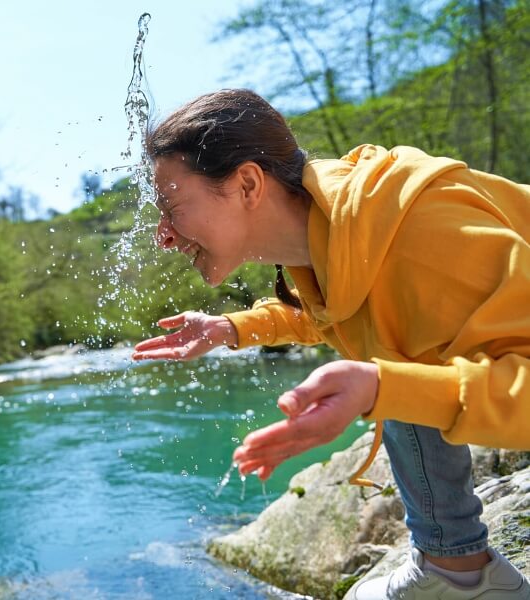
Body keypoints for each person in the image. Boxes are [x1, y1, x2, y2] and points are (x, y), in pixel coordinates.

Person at [131, 89, 530, 600]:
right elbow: (338, 311)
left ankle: (462, 573)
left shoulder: (420, 233)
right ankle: (457, 571)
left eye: (173, 208)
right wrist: (232, 329)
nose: (164, 235)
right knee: (388, 368)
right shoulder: (341, 236)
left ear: (248, 183)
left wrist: (379, 386)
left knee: (387, 375)